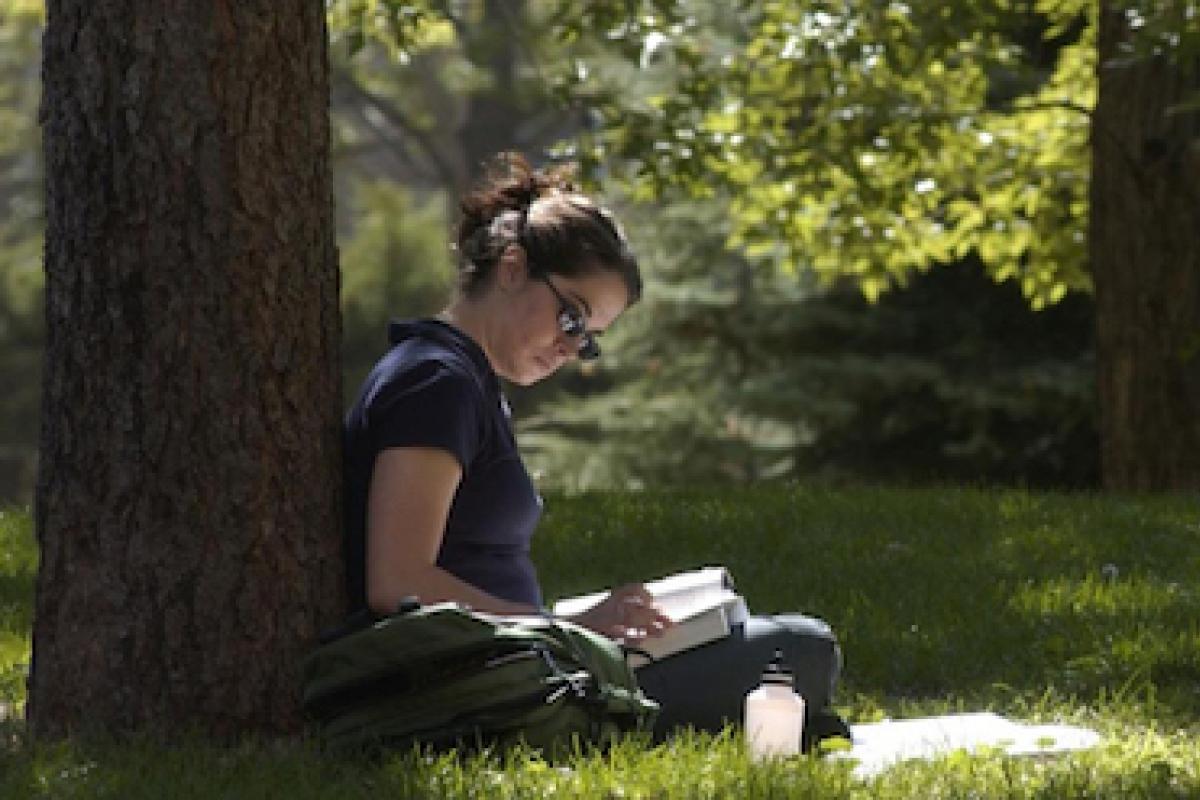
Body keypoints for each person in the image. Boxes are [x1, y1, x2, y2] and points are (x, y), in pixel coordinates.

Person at [342, 152, 844, 743]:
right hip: (485, 687)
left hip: (521, 662)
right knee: (799, 649)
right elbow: (397, 582)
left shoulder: (463, 380)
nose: (568, 348)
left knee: (773, 644)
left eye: (588, 340)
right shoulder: (436, 383)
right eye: (571, 318)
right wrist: (568, 629)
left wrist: (573, 623)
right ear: (511, 267)